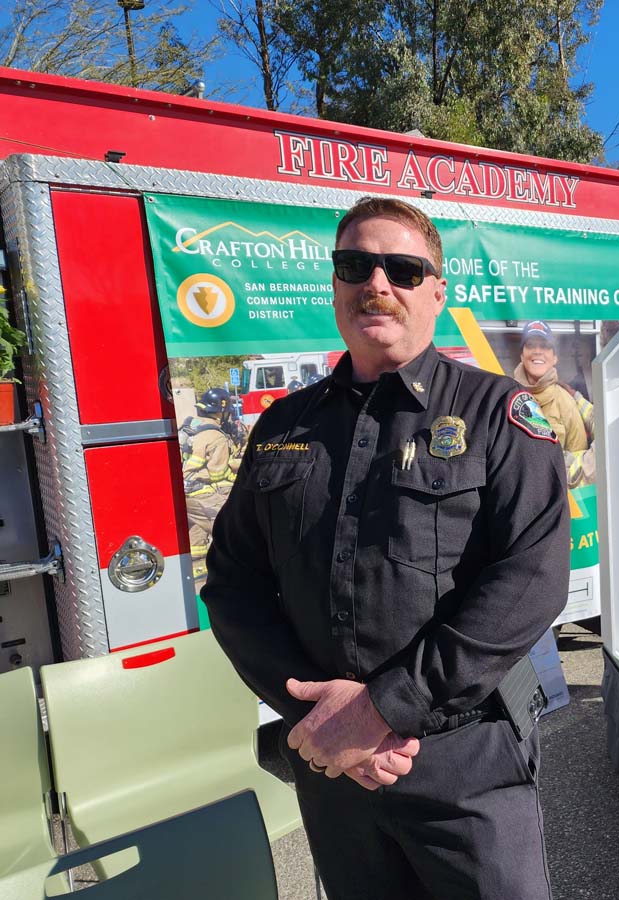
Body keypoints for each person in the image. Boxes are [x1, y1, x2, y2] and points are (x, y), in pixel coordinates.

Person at [201, 197, 570, 900]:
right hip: (333, 765)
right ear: (335, 285)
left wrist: (386, 706)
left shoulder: (496, 414)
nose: (377, 283)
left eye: (402, 269)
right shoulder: (285, 424)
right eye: (355, 265)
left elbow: (532, 577)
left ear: (437, 292)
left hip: (463, 764)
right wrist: (322, 716)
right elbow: (233, 583)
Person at [180, 387, 238, 581]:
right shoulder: (217, 437)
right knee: (230, 530)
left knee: (196, 530)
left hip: (184, 493)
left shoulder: (190, 426)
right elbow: (218, 472)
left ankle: (197, 569)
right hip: (202, 494)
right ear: (222, 411)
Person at [512, 320, 588, 460]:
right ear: (522, 356)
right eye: (530, 345)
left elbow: (580, 463)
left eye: (545, 346)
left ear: (554, 358)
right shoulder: (505, 397)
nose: (537, 351)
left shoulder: (567, 404)